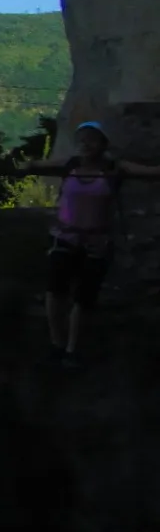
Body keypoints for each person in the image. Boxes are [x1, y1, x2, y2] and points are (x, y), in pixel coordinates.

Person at [15, 121, 160, 363]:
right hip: (64, 238)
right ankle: (57, 343)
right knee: (55, 291)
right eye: (81, 139)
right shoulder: (70, 164)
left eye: (91, 139)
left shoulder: (115, 168)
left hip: (97, 243)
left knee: (84, 298)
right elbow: (36, 165)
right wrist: (25, 166)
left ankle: (71, 350)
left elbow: (153, 172)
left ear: (103, 144)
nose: (85, 144)